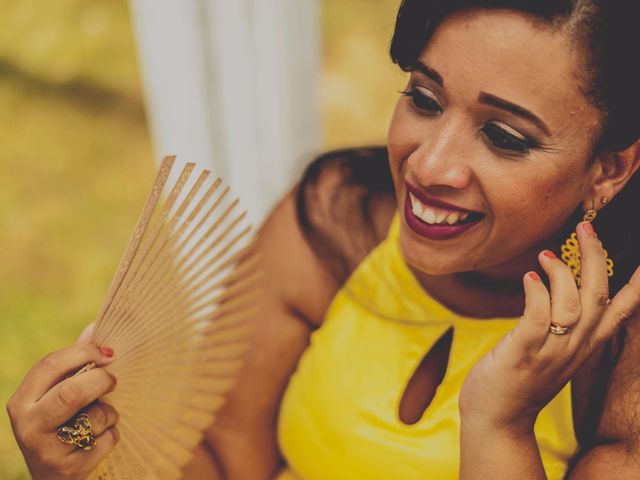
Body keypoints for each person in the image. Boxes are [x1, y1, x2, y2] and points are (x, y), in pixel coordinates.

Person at [8, 0, 640, 478]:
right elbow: (226, 461)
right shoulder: (336, 219)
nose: (428, 166)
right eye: (424, 98)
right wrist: (82, 468)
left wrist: (501, 426)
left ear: (609, 169)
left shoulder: (621, 356)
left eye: (504, 137)